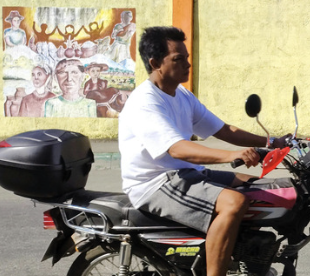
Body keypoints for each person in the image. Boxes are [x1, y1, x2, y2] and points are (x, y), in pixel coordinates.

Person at [118, 26, 281, 276]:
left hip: (185, 174)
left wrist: (273, 142)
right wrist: (231, 156)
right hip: (154, 184)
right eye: (178, 59)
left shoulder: (181, 94)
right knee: (234, 202)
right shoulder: (145, 102)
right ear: (155, 63)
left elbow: (224, 130)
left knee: (259, 189)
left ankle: (244, 260)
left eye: (187, 57)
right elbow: (178, 149)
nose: (188, 64)